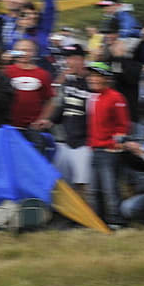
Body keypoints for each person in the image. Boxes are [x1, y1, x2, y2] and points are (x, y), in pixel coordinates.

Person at [85, 61, 131, 228]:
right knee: (93, 189)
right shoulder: (92, 97)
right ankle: (97, 220)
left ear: (106, 78)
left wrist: (116, 144)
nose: (93, 79)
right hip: (95, 149)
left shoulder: (116, 97)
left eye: (97, 76)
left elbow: (123, 125)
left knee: (110, 188)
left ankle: (115, 220)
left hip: (109, 151)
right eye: (91, 76)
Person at [47, 44, 92, 194]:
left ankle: (86, 210)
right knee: (60, 183)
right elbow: (63, 106)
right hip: (67, 140)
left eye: (72, 58)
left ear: (81, 60)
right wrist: (50, 121)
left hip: (85, 142)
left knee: (83, 185)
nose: (68, 62)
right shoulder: (68, 81)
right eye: (67, 58)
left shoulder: (93, 81)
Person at [4, 40, 54, 129]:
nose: (24, 53)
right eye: (20, 50)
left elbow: (49, 100)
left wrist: (43, 119)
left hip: (32, 126)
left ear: (34, 52)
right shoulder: (5, 71)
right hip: (7, 125)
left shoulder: (43, 74)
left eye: (28, 50)